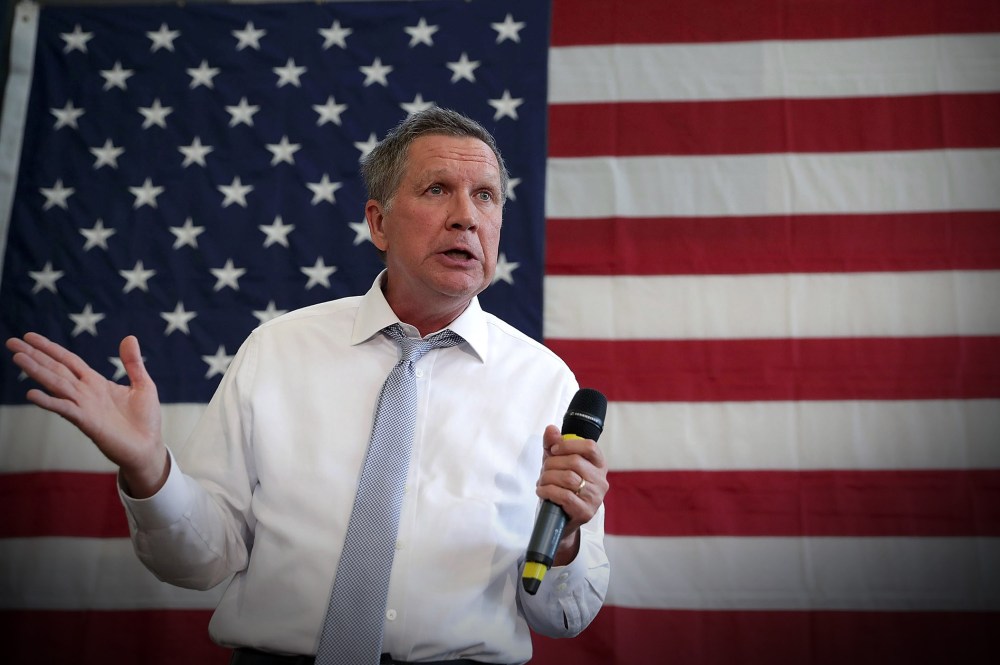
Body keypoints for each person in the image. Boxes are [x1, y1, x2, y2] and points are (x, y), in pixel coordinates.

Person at [6, 107, 609, 664]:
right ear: (378, 222)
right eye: (437, 190)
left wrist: (565, 544)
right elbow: (199, 561)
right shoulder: (277, 350)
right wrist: (150, 471)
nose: (466, 216)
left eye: (486, 196)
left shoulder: (546, 383)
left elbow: (564, 616)